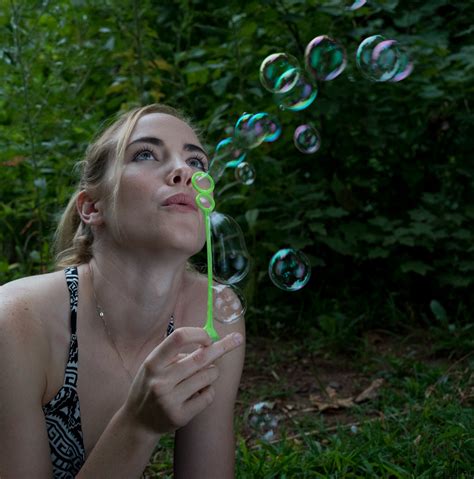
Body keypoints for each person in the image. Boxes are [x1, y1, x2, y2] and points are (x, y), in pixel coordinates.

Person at [0, 104, 246, 478]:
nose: (185, 172)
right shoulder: (15, 322)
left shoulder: (214, 314)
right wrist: (138, 424)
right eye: (145, 154)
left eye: (197, 162)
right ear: (91, 207)